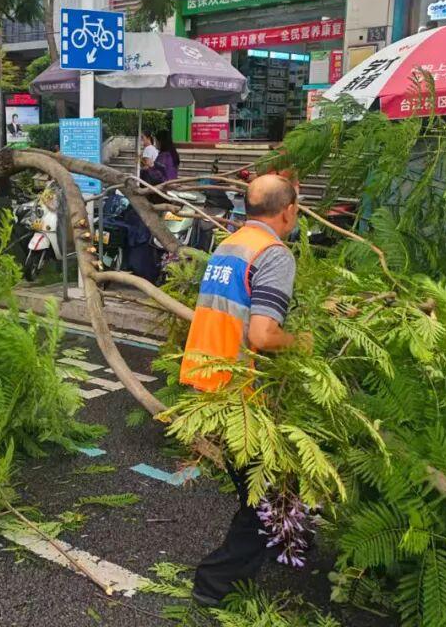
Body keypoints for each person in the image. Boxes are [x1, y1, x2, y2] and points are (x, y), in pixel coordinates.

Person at [179, 174, 309, 607]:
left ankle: (289, 544)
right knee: (263, 496)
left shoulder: (231, 244)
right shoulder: (274, 254)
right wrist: (303, 342)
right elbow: (263, 335)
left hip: (209, 380)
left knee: (272, 484)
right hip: (241, 392)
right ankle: (214, 583)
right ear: (288, 211)